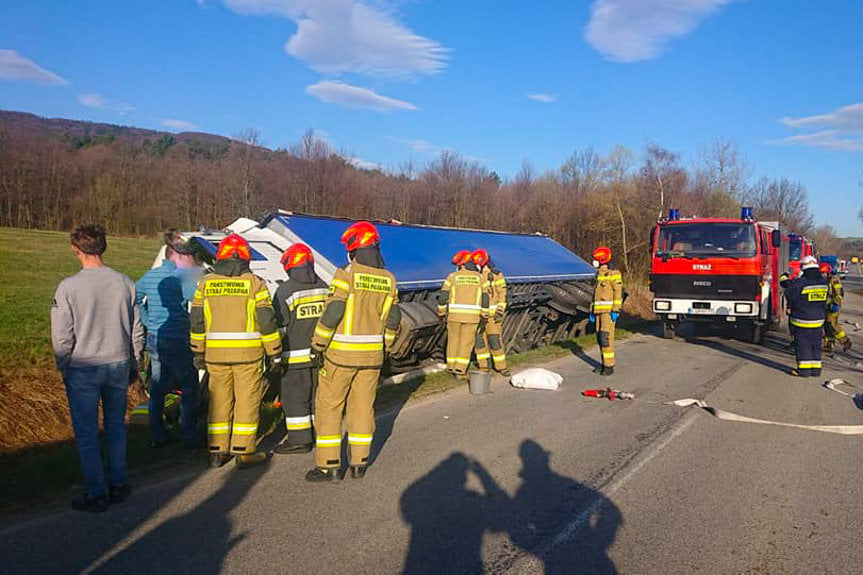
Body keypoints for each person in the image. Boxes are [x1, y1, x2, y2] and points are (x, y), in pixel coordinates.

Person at [51, 224, 144, 512]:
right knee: (116, 427)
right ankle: (118, 483)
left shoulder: (68, 287)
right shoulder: (125, 282)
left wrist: (63, 363)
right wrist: (135, 362)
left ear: (75, 250)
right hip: (117, 362)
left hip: (83, 366)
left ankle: (96, 492)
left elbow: (62, 334)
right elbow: (136, 330)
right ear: (103, 248)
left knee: (88, 432)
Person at [307, 221, 401, 482]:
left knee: (329, 407)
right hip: (371, 357)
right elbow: (393, 317)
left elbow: (334, 311)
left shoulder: (346, 274)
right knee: (362, 408)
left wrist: (318, 343)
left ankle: (329, 466)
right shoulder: (389, 279)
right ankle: (359, 463)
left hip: (341, 356)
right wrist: (386, 345)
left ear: (353, 248)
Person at [189, 234, 282, 469]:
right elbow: (266, 321)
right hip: (248, 355)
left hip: (215, 355)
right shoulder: (255, 283)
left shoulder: (206, 283)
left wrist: (198, 351)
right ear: (245, 257)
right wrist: (274, 352)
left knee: (219, 401)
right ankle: (244, 451)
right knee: (247, 402)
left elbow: (197, 321)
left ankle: (217, 452)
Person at [136, 230, 203, 448]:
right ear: (174, 254)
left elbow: (135, 299)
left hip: (155, 337)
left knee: (158, 387)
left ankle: (157, 434)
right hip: (177, 337)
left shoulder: (149, 276)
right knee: (189, 385)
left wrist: (146, 320)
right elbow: (197, 297)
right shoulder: (180, 277)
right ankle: (188, 434)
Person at [271, 243, 329, 454]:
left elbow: (278, 326)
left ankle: (299, 440)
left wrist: (274, 355)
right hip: (320, 355)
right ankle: (318, 434)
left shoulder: (285, 291)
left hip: (293, 358)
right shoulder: (324, 286)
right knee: (317, 397)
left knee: (295, 399)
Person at [437, 249, 490, 378]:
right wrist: (484, 314)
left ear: (461, 265)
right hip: (472, 318)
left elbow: (443, 296)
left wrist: (441, 311)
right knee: (466, 343)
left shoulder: (452, 277)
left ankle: (451, 367)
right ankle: (460, 370)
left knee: (453, 341)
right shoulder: (480, 278)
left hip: (454, 316)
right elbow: (485, 298)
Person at [782, 255, 828, 376]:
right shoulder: (824, 281)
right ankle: (816, 370)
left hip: (802, 319)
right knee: (816, 344)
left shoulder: (801, 282)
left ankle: (804, 370)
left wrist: (787, 282)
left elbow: (790, 295)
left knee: (803, 344)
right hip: (818, 319)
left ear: (804, 268)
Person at [472, 249, 510, 376]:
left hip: (493, 316)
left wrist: (500, 311)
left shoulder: (496, 275)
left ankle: (501, 367)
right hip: (478, 316)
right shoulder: (474, 275)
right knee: (479, 342)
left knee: (494, 340)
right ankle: (484, 367)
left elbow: (502, 294)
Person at [589, 246, 623, 376]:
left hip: (608, 313)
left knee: (606, 338)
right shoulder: (598, 275)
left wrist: (616, 310)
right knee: (599, 338)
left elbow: (618, 293)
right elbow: (595, 295)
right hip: (598, 312)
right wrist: (592, 310)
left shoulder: (614, 274)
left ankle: (609, 366)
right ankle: (603, 364)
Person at [822, 262, 852, 354]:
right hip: (826, 306)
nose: (822, 275)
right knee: (827, 326)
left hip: (833, 306)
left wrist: (835, 304)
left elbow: (838, 294)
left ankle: (845, 341)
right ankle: (829, 345)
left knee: (832, 325)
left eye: (823, 273)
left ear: (828, 272)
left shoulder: (834, 280)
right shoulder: (824, 280)